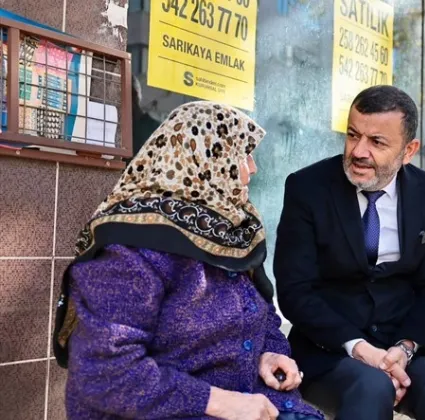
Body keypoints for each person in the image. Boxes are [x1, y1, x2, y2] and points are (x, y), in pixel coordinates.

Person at [53, 101, 323, 420]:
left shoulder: (224, 232)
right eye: (242, 155)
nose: (253, 168)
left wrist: (270, 352)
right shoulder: (130, 249)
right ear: (202, 161)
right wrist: (221, 402)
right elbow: (107, 374)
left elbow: (260, 313)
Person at [274, 85, 425, 420]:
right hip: (329, 348)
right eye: (353, 135)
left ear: (408, 151)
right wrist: (359, 348)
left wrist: (405, 349)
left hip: (400, 345)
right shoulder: (308, 188)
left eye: (377, 142)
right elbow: (295, 290)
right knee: (370, 388)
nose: (359, 151)